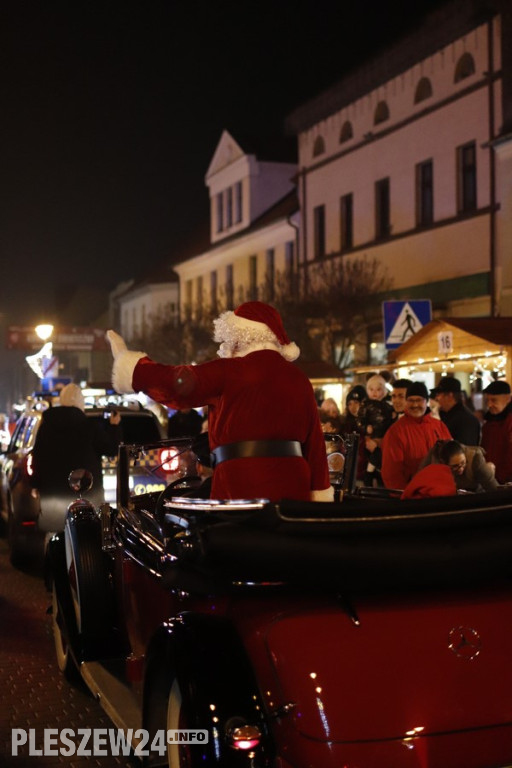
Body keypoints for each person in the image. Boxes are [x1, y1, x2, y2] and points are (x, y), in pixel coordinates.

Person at [107, 301, 332, 503]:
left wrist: (132, 367)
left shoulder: (231, 371)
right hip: (294, 485)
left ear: (238, 337)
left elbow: (178, 384)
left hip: (242, 483)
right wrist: (320, 490)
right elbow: (315, 443)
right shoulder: (298, 378)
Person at [31, 383, 122, 512]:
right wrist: (114, 427)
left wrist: (36, 484)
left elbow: (37, 457)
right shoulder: (90, 427)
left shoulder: (46, 427)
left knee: (55, 529)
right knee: (86, 530)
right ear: (81, 402)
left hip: (52, 496)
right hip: (86, 495)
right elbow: (112, 449)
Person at [381, 381, 452, 490]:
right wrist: (404, 496)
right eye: (411, 400)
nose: (415, 405)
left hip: (440, 492)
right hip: (413, 496)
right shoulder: (396, 432)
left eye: (419, 400)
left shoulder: (439, 426)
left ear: (427, 401)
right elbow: (391, 473)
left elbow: (451, 456)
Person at [419, 439, 497, 493]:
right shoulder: (434, 461)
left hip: (475, 493)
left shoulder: (475, 458)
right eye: (455, 466)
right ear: (444, 463)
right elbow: (419, 484)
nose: (461, 468)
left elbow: (492, 487)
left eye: (463, 463)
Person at [430, 377, 481, 445]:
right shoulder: (446, 415)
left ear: (450, 395)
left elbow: (466, 450)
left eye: (439, 394)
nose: (436, 398)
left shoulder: (466, 420)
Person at [481, 380, 512, 484]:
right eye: (487, 400)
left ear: (508, 399)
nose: (489, 404)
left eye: (494, 400)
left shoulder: (509, 423)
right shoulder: (488, 424)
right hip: (492, 481)